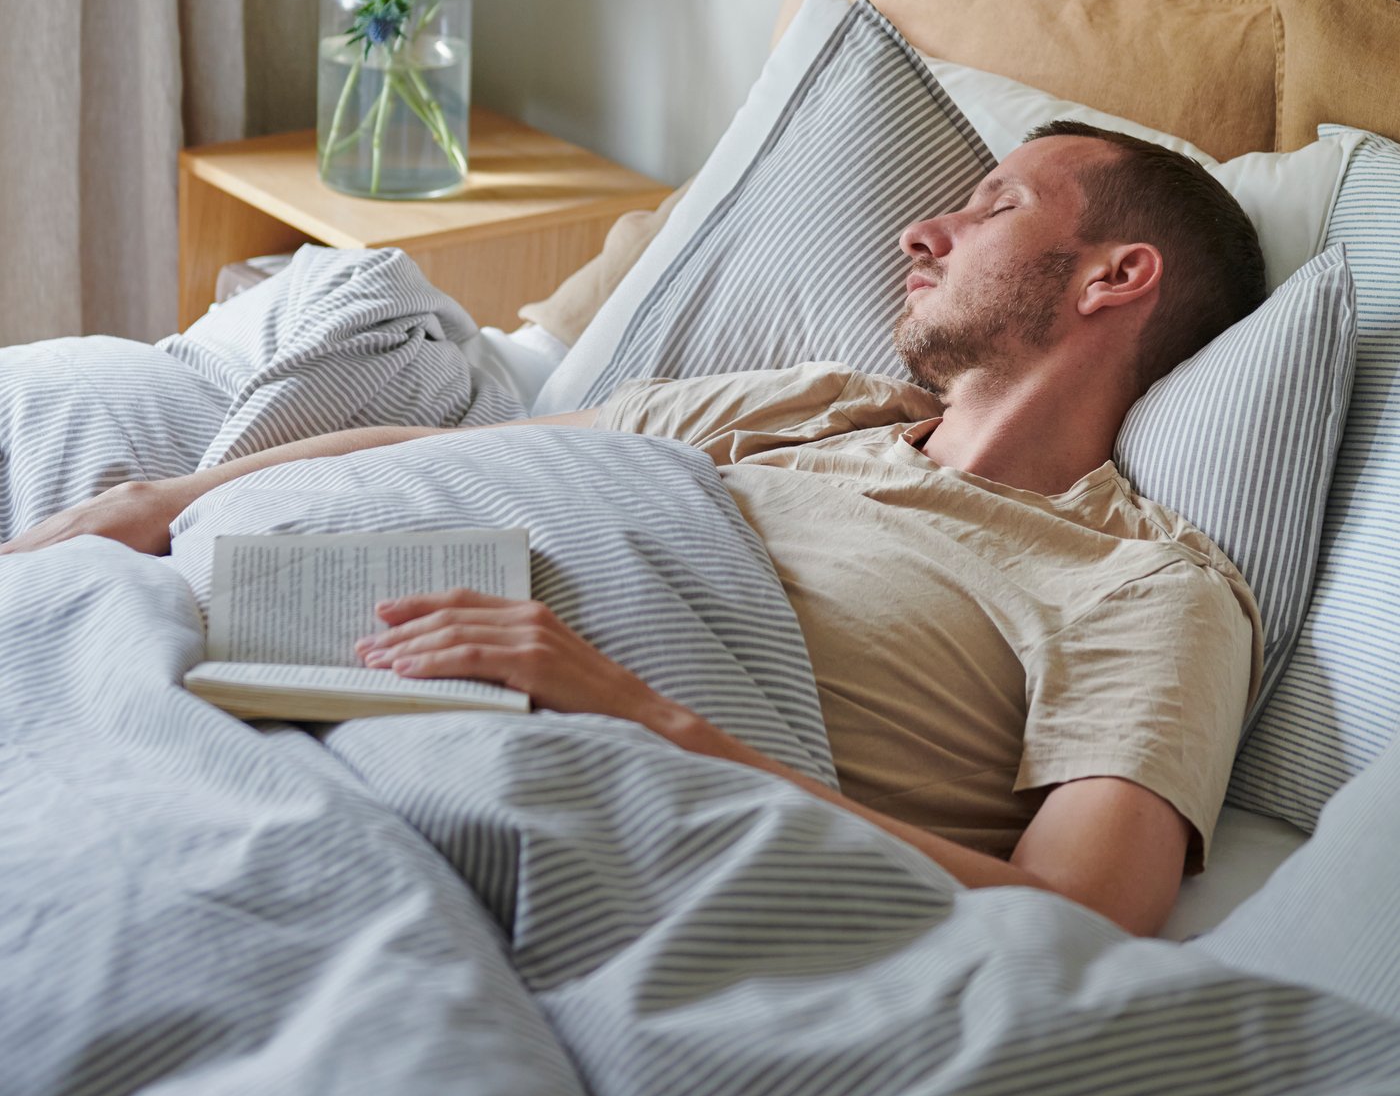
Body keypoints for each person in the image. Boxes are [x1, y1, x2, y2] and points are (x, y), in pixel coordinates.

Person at [4, 121, 1266, 937]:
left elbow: (1080, 917)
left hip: (566, 806)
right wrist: (158, 505)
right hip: (333, 675)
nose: (920, 229)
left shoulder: (1141, 584)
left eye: (993, 206)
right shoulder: (810, 405)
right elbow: (455, 461)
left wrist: (636, 711)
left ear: (1114, 275)